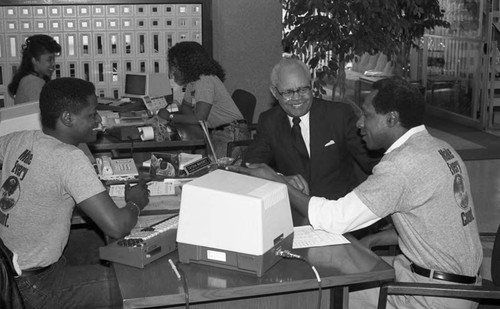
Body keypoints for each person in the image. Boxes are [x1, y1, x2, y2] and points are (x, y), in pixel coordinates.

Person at [229, 76, 483, 309]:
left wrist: (277, 182)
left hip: (432, 296)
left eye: (367, 115)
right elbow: (432, 223)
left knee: (320, 297)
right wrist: (373, 240)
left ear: (391, 119)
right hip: (455, 284)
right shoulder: (441, 148)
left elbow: (335, 219)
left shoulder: (402, 164)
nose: (360, 123)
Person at [0, 77, 150, 308]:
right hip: (35, 287)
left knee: (97, 243)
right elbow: (117, 226)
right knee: (132, 283)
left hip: (11, 271)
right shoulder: (69, 158)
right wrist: (134, 203)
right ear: (68, 118)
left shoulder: (19, 139)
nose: (98, 120)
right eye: (91, 114)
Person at [244, 57, 382, 226]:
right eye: (288, 92)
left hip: (339, 216)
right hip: (294, 215)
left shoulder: (339, 115)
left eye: (303, 90)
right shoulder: (269, 121)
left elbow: (374, 162)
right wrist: (281, 179)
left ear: (311, 86)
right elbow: (250, 165)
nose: (297, 98)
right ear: (274, 93)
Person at [156, 41, 250, 160]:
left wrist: (170, 117)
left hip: (231, 134)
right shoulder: (193, 81)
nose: (173, 69)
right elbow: (186, 107)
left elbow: (199, 118)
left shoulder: (204, 80)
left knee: (217, 172)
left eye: (175, 65)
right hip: (217, 132)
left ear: (187, 63)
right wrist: (192, 119)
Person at [8, 34, 61, 105]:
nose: (53, 64)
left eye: (53, 59)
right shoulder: (33, 83)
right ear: (35, 60)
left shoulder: (29, 79)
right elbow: (44, 113)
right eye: (49, 60)